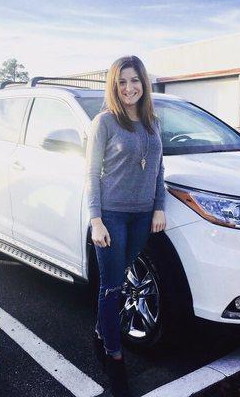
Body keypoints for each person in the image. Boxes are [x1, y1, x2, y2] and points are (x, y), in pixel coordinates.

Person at [85, 55, 166, 396]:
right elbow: (91, 172)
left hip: (142, 216)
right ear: (114, 87)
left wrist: (159, 207)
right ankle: (113, 356)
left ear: (144, 84)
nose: (129, 87)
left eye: (135, 80)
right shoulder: (105, 122)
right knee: (112, 286)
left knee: (120, 277)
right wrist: (96, 220)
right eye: (122, 82)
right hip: (113, 214)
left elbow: (159, 169)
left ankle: (104, 330)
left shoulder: (153, 122)